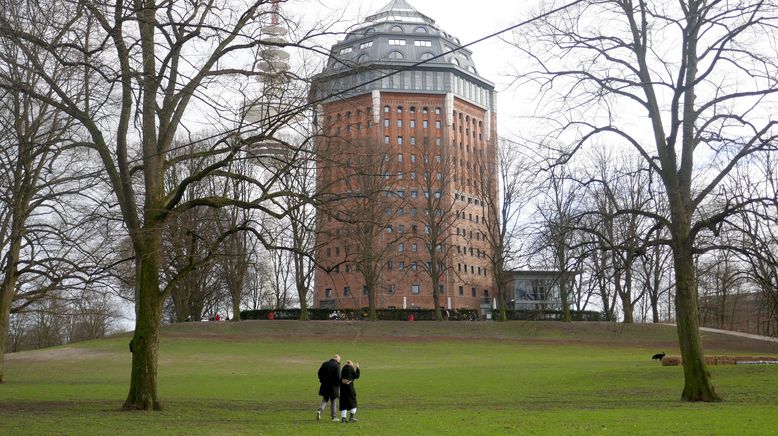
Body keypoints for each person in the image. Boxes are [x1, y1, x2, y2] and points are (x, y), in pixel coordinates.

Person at [316, 354, 341, 422]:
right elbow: (338, 377)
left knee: (325, 399)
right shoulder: (337, 365)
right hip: (333, 386)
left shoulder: (325, 364)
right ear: (337, 359)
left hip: (325, 385)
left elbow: (319, 372)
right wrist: (338, 385)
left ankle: (320, 410)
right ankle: (334, 417)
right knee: (333, 400)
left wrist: (321, 380)